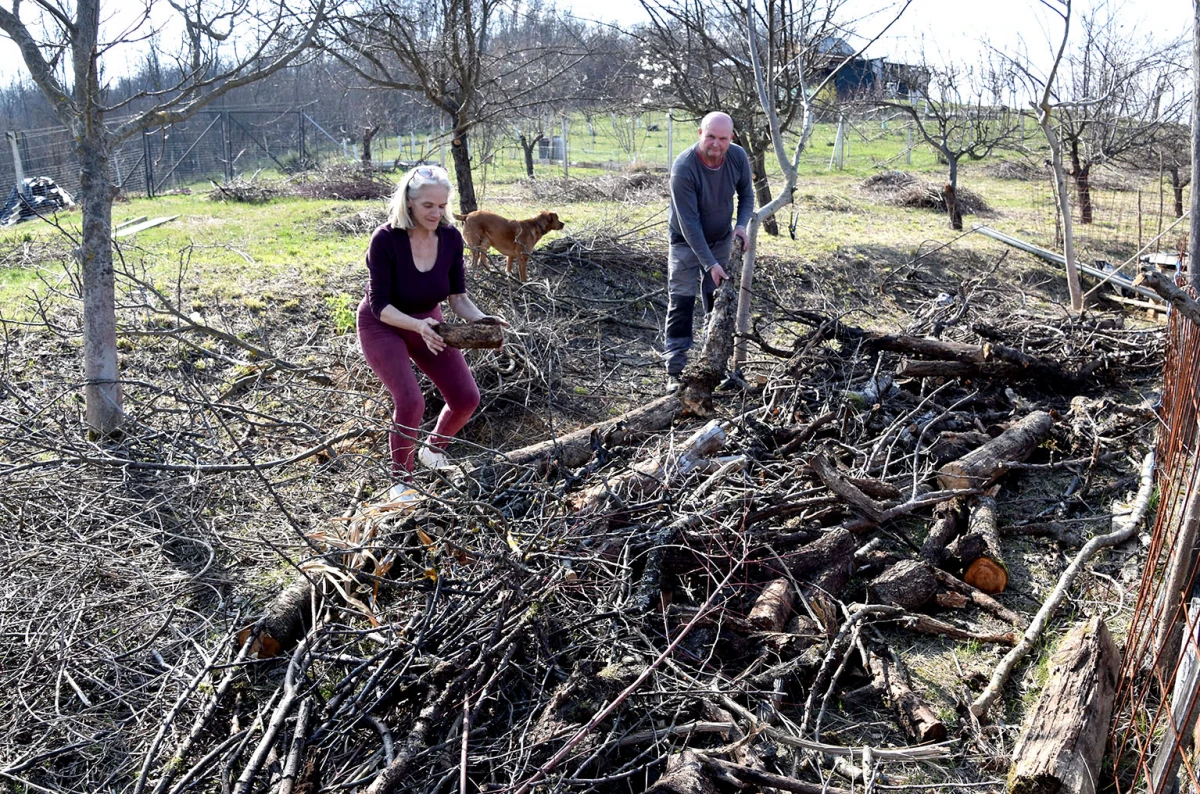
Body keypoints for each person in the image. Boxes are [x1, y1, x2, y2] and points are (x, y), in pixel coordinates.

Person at [357, 165, 506, 499]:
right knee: (411, 400)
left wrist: (483, 321)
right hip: (383, 324)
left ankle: (432, 450)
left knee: (466, 398)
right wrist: (418, 325)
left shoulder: (451, 237)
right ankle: (401, 481)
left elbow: (458, 298)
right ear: (409, 202)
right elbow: (380, 304)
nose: (436, 213)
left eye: (441, 206)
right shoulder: (385, 239)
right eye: (428, 206)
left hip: (430, 323)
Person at [662, 111, 755, 390]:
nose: (716, 143)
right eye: (711, 136)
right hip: (685, 242)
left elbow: (747, 194)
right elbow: (689, 224)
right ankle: (675, 371)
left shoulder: (737, 157)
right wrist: (710, 264)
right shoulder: (684, 168)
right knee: (682, 300)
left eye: (723, 138)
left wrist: (740, 226)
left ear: (731, 138)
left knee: (718, 303)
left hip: (722, 238)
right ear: (700, 134)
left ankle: (715, 366)